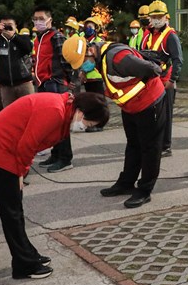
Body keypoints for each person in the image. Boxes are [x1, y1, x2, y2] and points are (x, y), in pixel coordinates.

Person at [0, 83, 110, 280]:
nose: (84, 128)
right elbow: (27, 146)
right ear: (81, 112)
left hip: (6, 148)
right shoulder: (55, 111)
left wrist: (20, 172)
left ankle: (28, 254)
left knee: (15, 210)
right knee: (11, 213)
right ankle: (23, 265)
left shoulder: (64, 107)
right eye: (88, 124)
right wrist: (21, 173)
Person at [65, 35, 167, 209]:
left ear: (90, 51)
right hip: (130, 107)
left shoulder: (118, 58)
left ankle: (144, 190)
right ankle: (126, 183)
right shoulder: (100, 58)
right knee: (133, 145)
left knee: (150, 148)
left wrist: (143, 84)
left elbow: (153, 69)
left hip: (150, 104)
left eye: (83, 62)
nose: (83, 67)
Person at [31, 5, 73, 172]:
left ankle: (65, 158)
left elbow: (66, 61)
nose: (38, 22)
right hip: (43, 83)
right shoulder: (39, 38)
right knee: (52, 124)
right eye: (35, 19)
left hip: (55, 83)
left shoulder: (56, 36)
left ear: (50, 20)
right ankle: (56, 154)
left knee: (60, 123)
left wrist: (66, 81)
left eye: (41, 18)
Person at [144, 0, 183, 156]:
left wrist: (172, 81)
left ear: (166, 17)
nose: (157, 19)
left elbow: (178, 59)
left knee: (165, 115)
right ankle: (155, 142)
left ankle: (165, 146)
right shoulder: (148, 34)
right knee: (153, 115)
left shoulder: (171, 36)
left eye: (160, 16)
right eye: (154, 16)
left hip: (165, 81)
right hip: (152, 80)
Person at [0, 16, 35, 106]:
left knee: (29, 108)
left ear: (15, 26)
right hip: (5, 85)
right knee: (9, 112)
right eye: (4, 25)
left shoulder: (22, 38)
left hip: (24, 82)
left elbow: (28, 47)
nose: (7, 28)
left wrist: (13, 37)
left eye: (10, 25)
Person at [78, 17, 105, 97]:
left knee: (100, 102)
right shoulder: (81, 41)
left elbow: (99, 59)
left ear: (96, 28)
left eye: (90, 27)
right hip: (85, 78)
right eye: (86, 26)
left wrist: (84, 71)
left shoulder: (100, 42)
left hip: (97, 77)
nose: (88, 29)